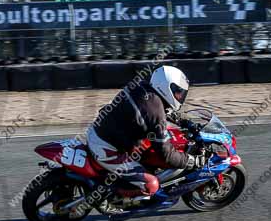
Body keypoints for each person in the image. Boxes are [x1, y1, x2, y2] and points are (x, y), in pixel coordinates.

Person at [86, 65, 205, 198]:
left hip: (101, 132)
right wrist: (191, 161)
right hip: (105, 149)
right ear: (166, 87)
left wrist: (184, 122)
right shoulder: (154, 111)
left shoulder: (142, 88)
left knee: (148, 149)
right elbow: (167, 155)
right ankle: (111, 196)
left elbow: (157, 113)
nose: (180, 96)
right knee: (151, 184)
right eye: (178, 92)